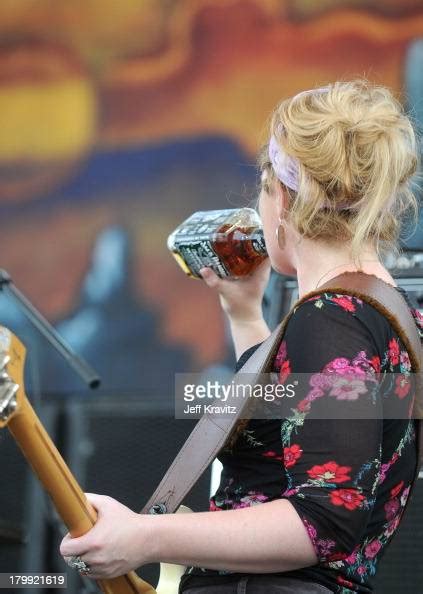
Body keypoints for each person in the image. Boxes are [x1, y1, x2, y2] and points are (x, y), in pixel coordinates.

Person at [60, 80, 422, 593]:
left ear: (284, 199)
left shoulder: (330, 319)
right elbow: (291, 440)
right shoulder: (383, 314)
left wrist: (147, 537)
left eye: (265, 185)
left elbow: (320, 522)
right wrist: (245, 313)